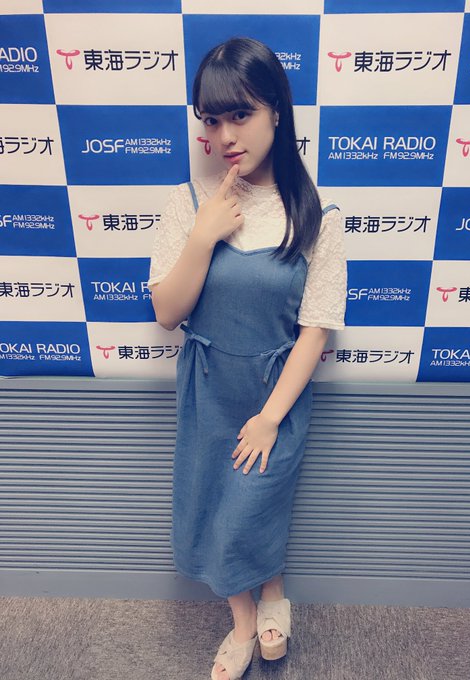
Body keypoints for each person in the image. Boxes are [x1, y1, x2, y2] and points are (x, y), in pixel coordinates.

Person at [147, 36, 347, 680]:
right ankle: (242, 622)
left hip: (275, 391)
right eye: (212, 120)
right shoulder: (189, 202)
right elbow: (167, 312)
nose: (225, 135)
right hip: (207, 387)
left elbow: (314, 332)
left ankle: (274, 592)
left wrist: (269, 418)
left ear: (276, 112)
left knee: (255, 501)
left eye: (241, 114)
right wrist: (202, 237)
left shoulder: (317, 215)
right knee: (212, 503)